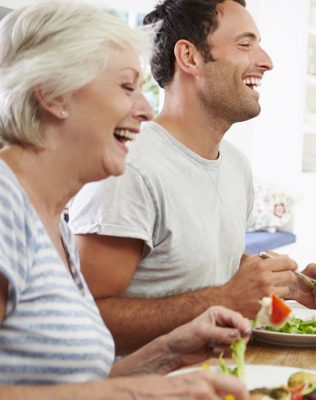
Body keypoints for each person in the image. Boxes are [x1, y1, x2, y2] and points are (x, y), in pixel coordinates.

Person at [68, 0, 316, 354]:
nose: (266, 61)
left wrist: (291, 287)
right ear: (190, 57)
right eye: (245, 44)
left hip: (223, 376)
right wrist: (225, 298)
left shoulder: (236, 165)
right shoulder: (129, 166)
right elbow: (88, 318)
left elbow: (206, 268)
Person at [0, 2, 250, 398]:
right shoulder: (4, 206)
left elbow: (74, 386)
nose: (146, 111)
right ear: (53, 94)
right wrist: (137, 394)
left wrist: (167, 354)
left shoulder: (52, 222)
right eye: (126, 87)